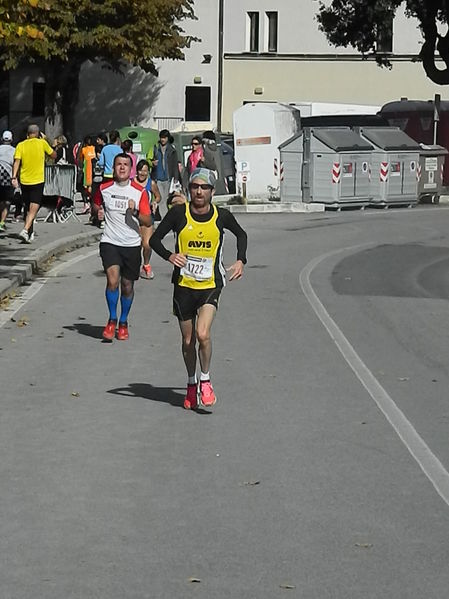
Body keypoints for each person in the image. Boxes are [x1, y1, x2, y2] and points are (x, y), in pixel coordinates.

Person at [150, 167, 247, 409]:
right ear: (189, 189)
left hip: (211, 284)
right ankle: (191, 383)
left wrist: (240, 260)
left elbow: (241, 235)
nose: (199, 191)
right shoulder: (178, 214)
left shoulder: (221, 216)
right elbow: (154, 239)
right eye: (195, 187)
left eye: (204, 188)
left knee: (203, 334)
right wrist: (170, 256)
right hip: (183, 286)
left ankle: (205, 379)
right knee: (187, 340)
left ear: (212, 192)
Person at [92, 153, 152, 341]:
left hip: (131, 244)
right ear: (114, 167)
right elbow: (95, 204)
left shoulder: (139, 191)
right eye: (119, 164)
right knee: (112, 281)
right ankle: (112, 320)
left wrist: (135, 211)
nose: (122, 168)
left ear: (131, 168)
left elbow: (148, 220)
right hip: (110, 241)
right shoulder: (104, 188)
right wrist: (98, 212)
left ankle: (123, 322)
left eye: (126, 164)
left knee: (127, 286)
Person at [11, 124, 56, 243]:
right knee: (34, 206)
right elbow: (54, 155)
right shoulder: (42, 143)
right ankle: (25, 229)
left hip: (24, 180)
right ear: (38, 133)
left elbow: (16, 162)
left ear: (27, 134)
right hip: (38, 180)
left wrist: (14, 177)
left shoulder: (21, 145)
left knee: (27, 207)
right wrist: (46, 140)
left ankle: (29, 233)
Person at [134, 159, 161, 279]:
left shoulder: (152, 183)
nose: (142, 173)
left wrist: (155, 202)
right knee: (136, 244)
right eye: (140, 170)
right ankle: (134, 266)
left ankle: (146, 265)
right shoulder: (131, 183)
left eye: (145, 171)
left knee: (147, 244)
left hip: (148, 216)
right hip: (134, 217)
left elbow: (158, 196)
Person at [150, 129, 181, 208]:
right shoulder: (155, 148)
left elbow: (175, 165)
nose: (163, 140)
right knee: (160, 199)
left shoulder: (172, 150)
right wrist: (152, 163)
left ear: (168, 138)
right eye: (161, 137)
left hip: (168, 178)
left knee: (167, 199)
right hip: (158, 178)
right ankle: (164, 218)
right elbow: (148, 160)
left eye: (165, 138)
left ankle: (166, 217)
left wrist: (176, 177)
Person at [0, 130, 15, 231]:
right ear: (11, 139)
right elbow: (16, 164)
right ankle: (2, 222)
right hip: (8, 177)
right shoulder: (14, 150)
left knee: (1, 201)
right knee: (7, 202)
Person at [79, 135, 96, 213]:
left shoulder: (83, 150)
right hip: (94, 171)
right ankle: (92, 203)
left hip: (87, 171)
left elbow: (80, 160)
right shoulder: (94, 149)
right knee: (92, 188)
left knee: (84, 189)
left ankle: (86, 203)